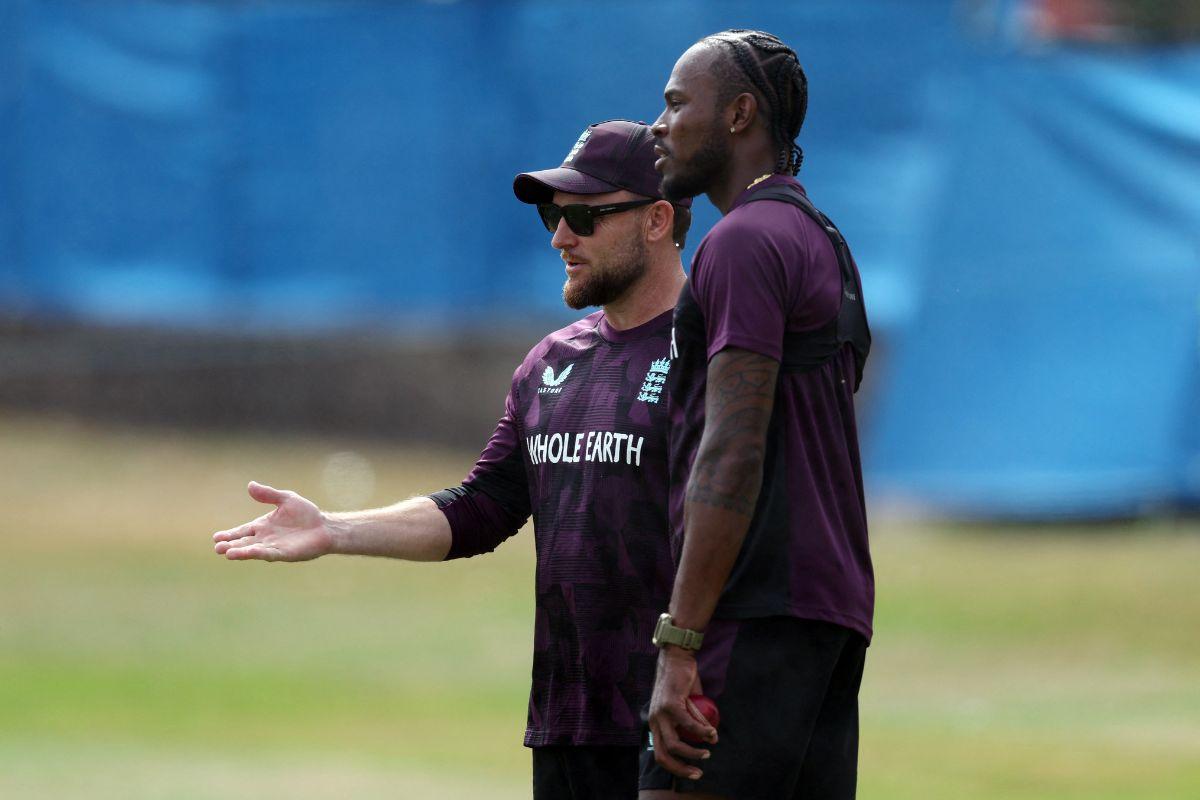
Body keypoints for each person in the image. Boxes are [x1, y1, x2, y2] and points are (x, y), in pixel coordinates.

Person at [212, 119, 691, 800]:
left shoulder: (716, 358)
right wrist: (334, 530)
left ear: (657, 219)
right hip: (568, 725)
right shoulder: (550, 364)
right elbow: (481, 508)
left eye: (583, 216)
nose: (560, 237)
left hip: (678, 727)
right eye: (554, 215)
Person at [639, 30, 874, 799]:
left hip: (755, 607)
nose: (659, 124)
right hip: (829, 613)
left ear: (739, 114)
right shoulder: (823, 239)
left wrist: (680, 639)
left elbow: (732, 449)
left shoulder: (740, 242)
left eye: (677, 103)